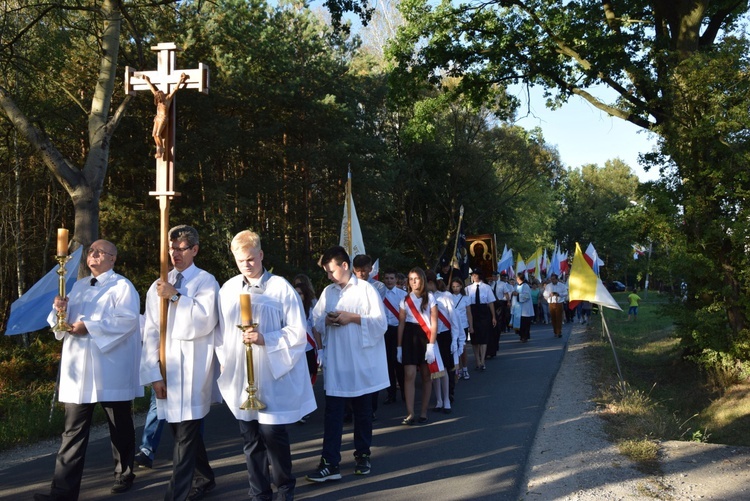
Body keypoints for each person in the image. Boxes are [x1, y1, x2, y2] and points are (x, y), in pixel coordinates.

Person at [36, 240, 141, 501]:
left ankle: (124, 472)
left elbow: (128, 321)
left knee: (120, 425)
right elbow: (61, 326)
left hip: (109, 367)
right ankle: (62, 492)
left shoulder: (122, 286)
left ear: (112, 258)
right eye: (91, 251)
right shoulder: (78, 286)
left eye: (99, 252)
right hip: (79, 370)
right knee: (72, 432)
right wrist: (59, 310)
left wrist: (90, 327)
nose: (92, 255)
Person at [215, 230, 316, 500]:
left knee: (273, 436)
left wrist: (265, 338)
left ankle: (285, 490)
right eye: (240, 260)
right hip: (242, 375)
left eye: (250, 258)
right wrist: (226, 363)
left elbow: (297, 332)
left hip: (272, 375)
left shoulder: (281, 288)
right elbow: (221, 334)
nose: (246, 265)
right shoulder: (228, 290)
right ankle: (258, 493)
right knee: (250, 440)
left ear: (260, 255)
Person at [140, 225, 219, 501]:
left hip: (194, 370)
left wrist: (176, 296)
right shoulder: (158, 284)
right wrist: (154, 374)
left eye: (181, 248)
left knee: (185, 435)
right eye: (171, 249)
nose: (175, 254)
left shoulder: (206, 281)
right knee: (182, 432)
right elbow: (150, 331)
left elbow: (206, 320)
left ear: (194, 250)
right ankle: (205, 477)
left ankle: (176, 495)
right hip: (167, 369)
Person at [307, 246, 388, 482]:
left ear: (344, 266)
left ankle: (363, 455)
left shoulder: (365, 290)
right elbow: (316, 320)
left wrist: (351, 317)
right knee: (332, 414)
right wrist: (329, 320)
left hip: (360, 362)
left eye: (331, 271)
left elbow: (380, 323)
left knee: (362, 411)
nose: (329, 276)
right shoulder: (328, 292)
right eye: (326, 273)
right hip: (337, 363)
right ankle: (329, 462)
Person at [397, 267, 439, 424]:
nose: (413, 282)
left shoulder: (430, 298)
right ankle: (410, 413)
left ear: (422, 280)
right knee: (409, 375)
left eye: (416, 278)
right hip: (409, 336)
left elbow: (434, 323)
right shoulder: (404, 300)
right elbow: (401, 324)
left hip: (426, 337)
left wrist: (431, 346)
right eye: (410, 279)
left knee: (426, 376)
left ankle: (423, 412)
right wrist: (399, 347)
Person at [352, 254, 387, 417]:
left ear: (370, 269)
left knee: (371, 373)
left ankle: (371, 409)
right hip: (353, 334)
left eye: (365, 270)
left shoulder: (378, 287)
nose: (361, 274)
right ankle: (352, 409)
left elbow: (370, 309)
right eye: (358, 271)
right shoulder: (347, 287)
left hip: (371, 332)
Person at [425, 271, 460, 413]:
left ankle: (446, 399)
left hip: (445, 335)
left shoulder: (446, 296)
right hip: (431, 337)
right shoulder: (425, 298)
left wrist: (455, 339)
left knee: (444, 368)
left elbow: (453, 319)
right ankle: (438, 400)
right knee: (435, 370)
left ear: (431, 282)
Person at [139, 72, 189, 159]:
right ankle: (159, 148)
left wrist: (181, 80)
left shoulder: (167, 99)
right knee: (153, 134)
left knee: (158, 134)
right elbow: (152, 88)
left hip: (163, 118)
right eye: (160, 94)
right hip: (157, 118)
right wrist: (146, 80)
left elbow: (175, 89)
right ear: (158, 97)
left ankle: (161, 149)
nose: (161, 93)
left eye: (161, 93)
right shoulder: (159, 101)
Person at [382, 268, 407, 404]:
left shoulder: (402, 294)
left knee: (400, 363)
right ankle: (391, 393)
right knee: (388, 364)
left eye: (391, 278)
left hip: (398, 330)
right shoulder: (379, 294)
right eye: (387, 278)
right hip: (385, 331)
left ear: (396, 279)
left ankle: (404, 391)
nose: (389, 281)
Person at [465, 270, 496, 371]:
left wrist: (493, 316)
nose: (474, 276)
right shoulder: (468, 289)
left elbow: (491, 303)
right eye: (473, 275)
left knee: (483, 337)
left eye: (476, 274)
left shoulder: (486, 287)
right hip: (472, 313)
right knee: (474, 339)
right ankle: (477, 360)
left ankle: (482, 361)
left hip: (484, 313)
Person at [450, 277, 472, 380]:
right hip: (452, 326)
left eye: (457, 286)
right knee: (454, 348)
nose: (455, 288)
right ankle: (457, 369)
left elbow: (469, 313)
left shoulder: (465, 298)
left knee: (462, 348)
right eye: (453, 286)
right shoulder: (448, 297)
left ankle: (465, 369)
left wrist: (471, 325)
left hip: (463, 325)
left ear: (461, 286)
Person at [544, 273, 568, 338]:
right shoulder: (548, 286)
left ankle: (559, 331)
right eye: (551, 279)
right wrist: (549, 295)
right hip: (551, 303)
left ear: (557, 279)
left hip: (559, 302)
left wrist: (558, 294)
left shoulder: (562, 285)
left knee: (559, 318)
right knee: (553, 318)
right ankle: (555, 331)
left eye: (554, 279)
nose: (553, 280)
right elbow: (545, 294)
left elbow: (566, 293)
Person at [513, 274, 534, 343]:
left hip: (525, 309)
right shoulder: (517, 286)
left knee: (525, 324)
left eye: (516, 278)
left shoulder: (525, 286)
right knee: (521, 323)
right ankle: (521, 336)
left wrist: (518, 295)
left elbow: (527, 296)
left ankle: (525, 336)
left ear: (519, 278)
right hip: (518, 308)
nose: (516, 279)